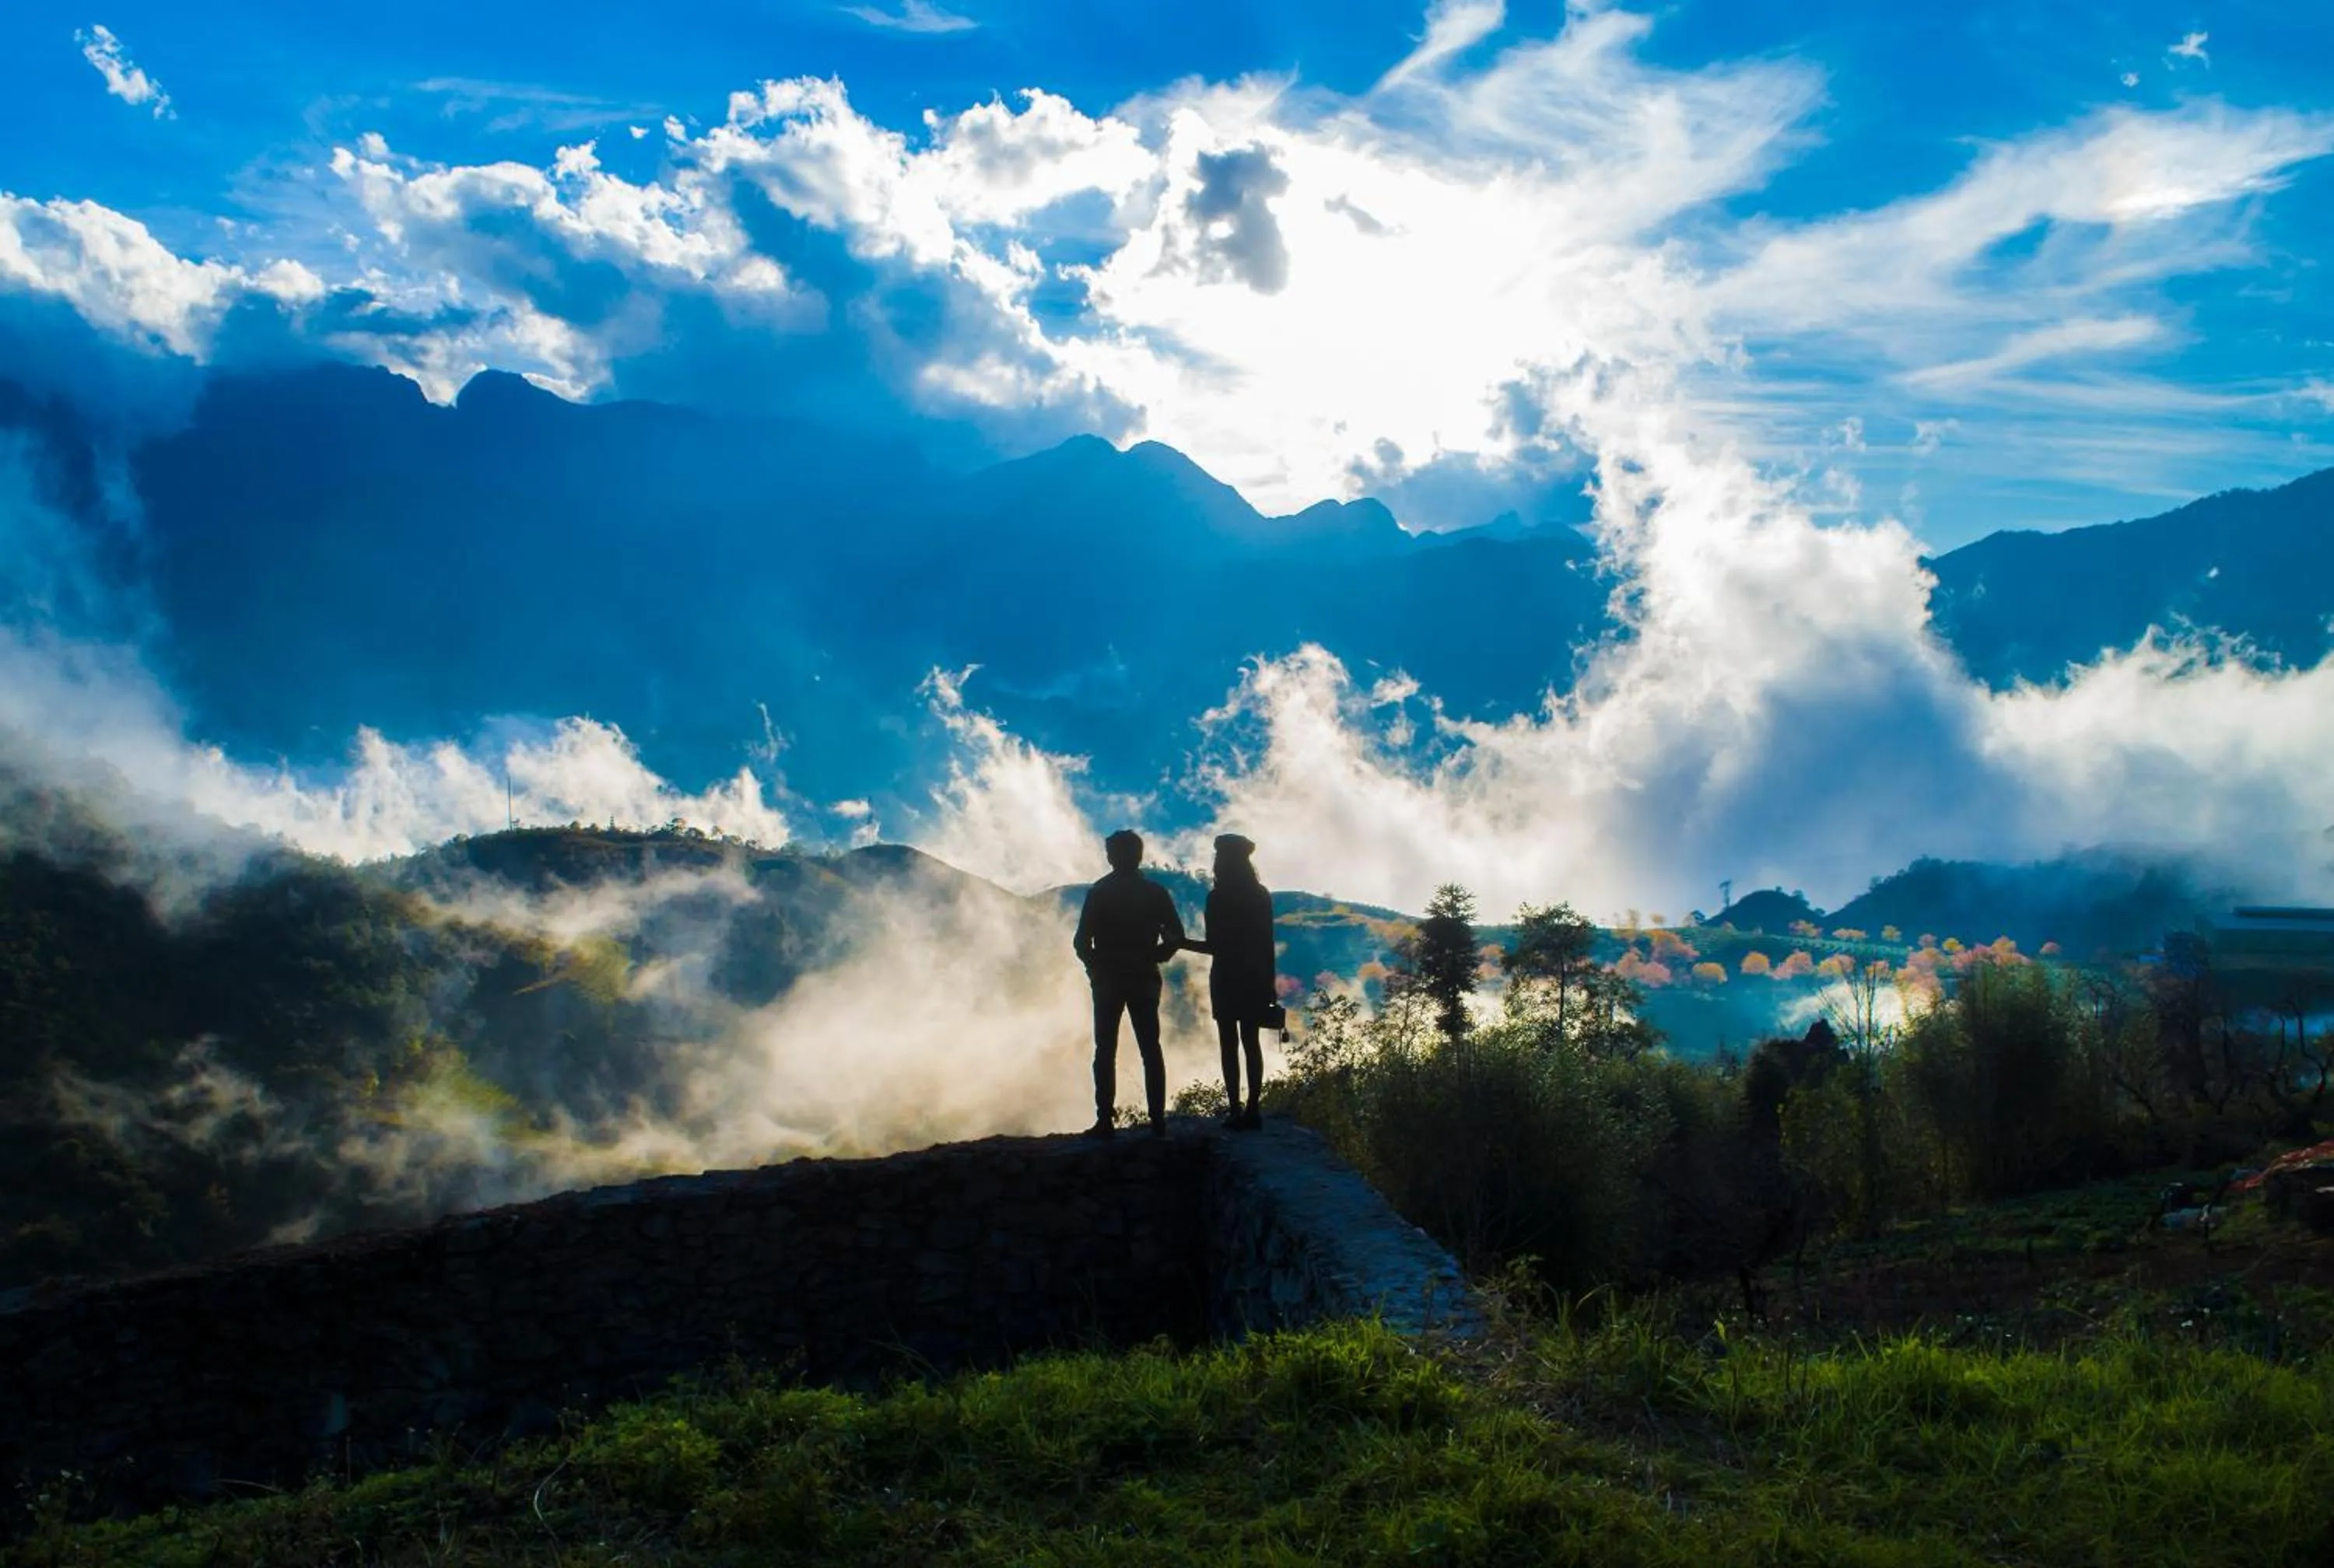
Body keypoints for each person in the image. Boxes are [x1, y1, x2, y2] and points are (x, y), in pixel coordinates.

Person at [1072, 828, 1185, 1137]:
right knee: (1151, 1049)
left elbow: (1082, 942)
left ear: (1112, 857)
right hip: (1144, 979)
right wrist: (1155, 956)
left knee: (1105, 1049)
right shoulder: (1155, 893)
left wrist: (1096, 969)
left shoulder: (1099, 892)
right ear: (1138, 856)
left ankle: (1105, 1120)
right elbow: (1176, 936)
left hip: (1108, 981)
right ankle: (1158, 1121)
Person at [1179, 833, 1276, 1130]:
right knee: (1252, 1043)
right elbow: (1266, 944)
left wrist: (1180, 942)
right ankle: (1253, 1109)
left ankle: (1234, 1109)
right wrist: (1269, 984)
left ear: (1222, 862)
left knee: (1228, 1044)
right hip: (1255, 978)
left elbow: (1213, 946)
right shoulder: (1261, 896)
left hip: (1225, 977)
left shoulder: (1217, 898)